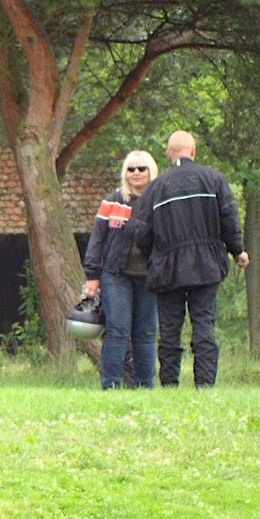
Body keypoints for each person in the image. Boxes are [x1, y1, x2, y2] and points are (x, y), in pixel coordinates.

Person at [135, 131, 247, 388]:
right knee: (204, 324)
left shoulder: (156, 188)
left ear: (169, 154)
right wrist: (238, 250)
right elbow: (229, 218)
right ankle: (204, 385)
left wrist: (153, 258)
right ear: (193, 151)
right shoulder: (214, 179)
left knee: (169, 329)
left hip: (167, 269)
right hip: (207, 266)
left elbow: (141, 232)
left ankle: (169, 384)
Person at [82, 151, 160, 389]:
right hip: (115, 275)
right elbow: (97, 240)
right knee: (117, 329)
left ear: (151, 171)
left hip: (150, 276)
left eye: (141, 168)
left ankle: (146, 385)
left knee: (146, 332)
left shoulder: (160, 202)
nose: (136, 173)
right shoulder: (112, 202)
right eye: (131, 169)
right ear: (125, 173)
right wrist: (92, 276)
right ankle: (111, 384)